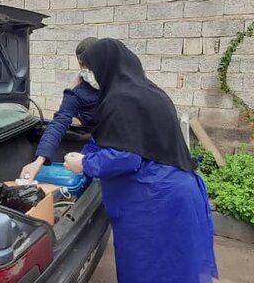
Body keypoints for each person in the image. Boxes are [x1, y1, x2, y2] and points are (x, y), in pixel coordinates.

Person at [62, 38, 218, 283]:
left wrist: (84, 164)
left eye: (89, 69)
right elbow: (115, 137)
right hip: (175, 190)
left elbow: (126, 157)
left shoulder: (121, 100)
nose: (87, 76)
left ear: (104, 66)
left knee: (151, 272)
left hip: (154, 202)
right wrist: (87, 152)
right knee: (176, 268)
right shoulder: (146, 91)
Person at [20, 37, 99, 179]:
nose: (86, 70)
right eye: (82, 65)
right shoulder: (76, 93)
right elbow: (59, 123)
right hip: (97, 142)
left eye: (90, 64)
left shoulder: (120, 84)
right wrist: (39, 161)